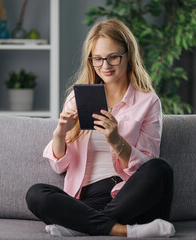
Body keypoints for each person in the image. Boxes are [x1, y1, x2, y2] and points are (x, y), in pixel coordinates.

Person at [26, 19, 175, 238]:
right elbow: (59, 166)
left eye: (113, 57)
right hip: (86, 199)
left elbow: (146, 164)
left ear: (129, 55)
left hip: (128, 196)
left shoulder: (148, 102)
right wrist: (60, 133)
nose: (105, 66)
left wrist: (117, 141)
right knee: (36, 194)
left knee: (160, 169)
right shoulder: (78, 98)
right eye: (98, 59)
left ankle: (81, 227)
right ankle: (121, 230)